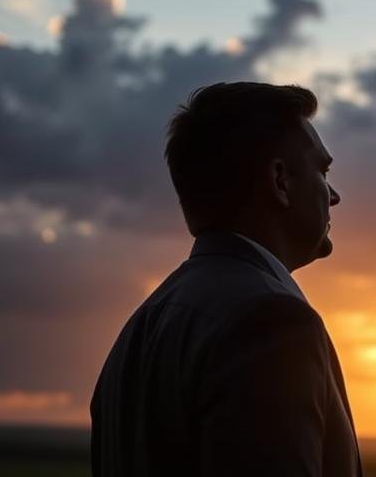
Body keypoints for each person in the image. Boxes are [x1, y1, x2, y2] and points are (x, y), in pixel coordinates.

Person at [91, 82, 360, 476]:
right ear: (280, 180)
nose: (334, 195)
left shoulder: (137, 333)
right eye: (322, 170)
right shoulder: (272, 322)